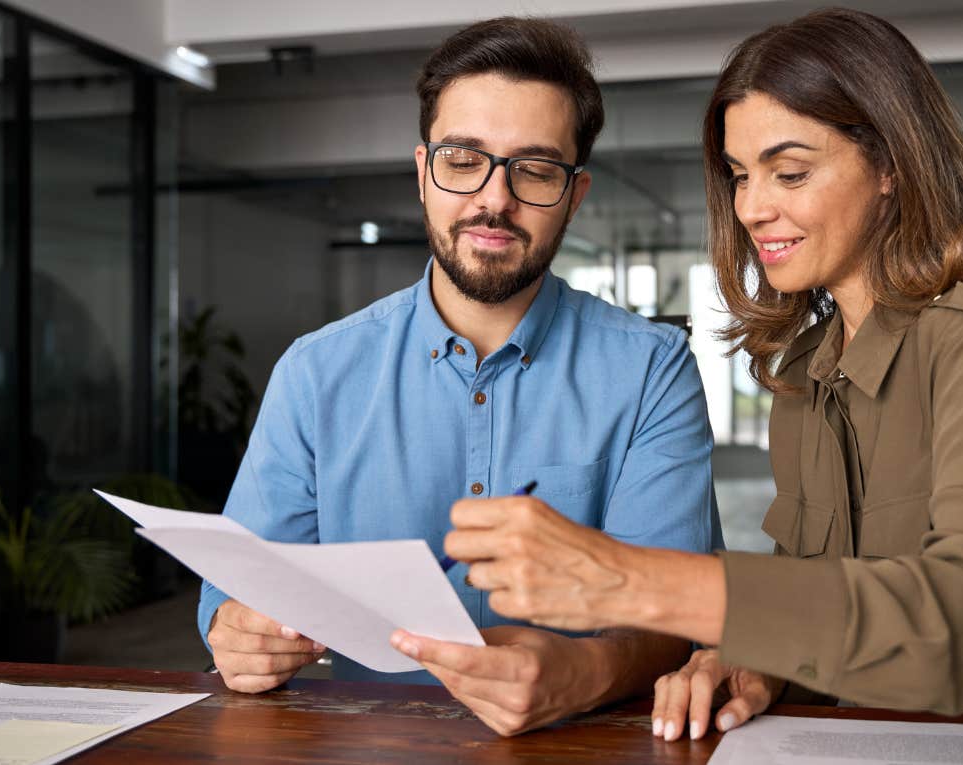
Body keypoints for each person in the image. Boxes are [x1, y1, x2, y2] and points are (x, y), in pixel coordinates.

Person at [431, 7, 963, 743]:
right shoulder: (806, 369)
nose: (753, 207)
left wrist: (632, 581)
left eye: (789, 172)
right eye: (739, 175)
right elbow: (830, 599)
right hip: (898, 716)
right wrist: (759, 663)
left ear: (891, 167)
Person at [198, 17, 723, 736]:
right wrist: (235, 631)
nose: (494, 199)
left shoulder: (651, 371)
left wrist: (583, 672)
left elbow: (676, 615)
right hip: (366, 746)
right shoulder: (316, 373)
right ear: (423, 172)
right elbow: (234, 590)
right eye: (464, 158)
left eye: (535, 170)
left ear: (575, 194)